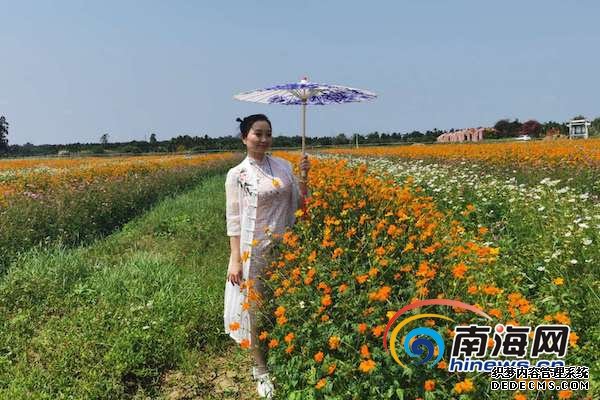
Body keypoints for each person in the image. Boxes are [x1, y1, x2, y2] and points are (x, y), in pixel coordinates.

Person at [223, 114, 309, 398]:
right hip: (254, 251)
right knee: (257, 311)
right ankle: (261, 370)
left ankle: (285, 355)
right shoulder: (238, 174)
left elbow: (300, 204)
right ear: (244, 137)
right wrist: (235, 258)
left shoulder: (283, 166)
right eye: (257, 133)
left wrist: (304, 177)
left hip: (285, 247)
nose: (263, 139)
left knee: (285, 305)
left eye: (268, 134)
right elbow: (234, 220)